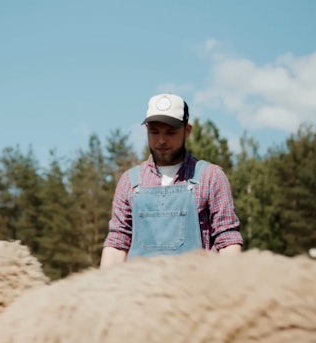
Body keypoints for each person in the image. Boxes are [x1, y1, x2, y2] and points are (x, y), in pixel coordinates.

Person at [100, 93, 243, 269]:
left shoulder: (211, 177)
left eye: (170, 132)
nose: (161, 140)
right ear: (146, 130)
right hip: (140, 291)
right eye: (154, 132)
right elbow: (117, 243)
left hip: (195, 289)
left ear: (187, 130)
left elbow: (227, 239)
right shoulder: (129, 181)